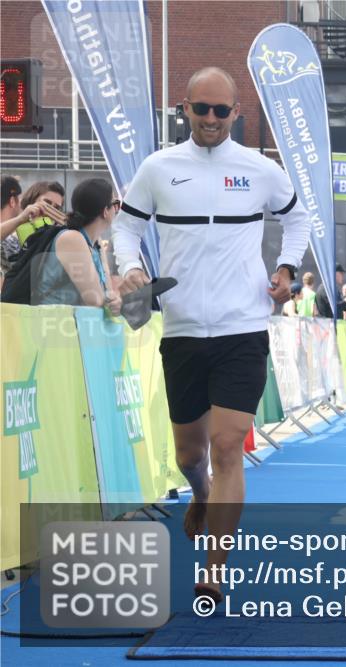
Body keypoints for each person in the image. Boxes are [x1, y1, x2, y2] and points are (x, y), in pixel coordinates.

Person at [113, 67, 311, 604]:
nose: (211, 120)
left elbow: (298, 223)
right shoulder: (159, 167)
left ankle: (213, 569)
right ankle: (198, 492)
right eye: (201, 109)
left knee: (228, 448)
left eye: (221, 111)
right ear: (185, 107)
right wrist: (130, 265)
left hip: (242, 327)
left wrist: (288, 270)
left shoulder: (258, 169)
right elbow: (125, 226)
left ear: (237, 111)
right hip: (180, 329)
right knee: (188, 454)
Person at [29, 178, 121, 313]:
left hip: (70, 326)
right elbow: (94, 299)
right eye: (115, 204)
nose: (117, 209)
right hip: (51, 325)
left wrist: (114, 300)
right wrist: (115, 300)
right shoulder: (72, 239)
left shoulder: (96, 243)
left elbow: (106, 292)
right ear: (105, 211)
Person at [1, 179, 67, 277]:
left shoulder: (58, 241)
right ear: (32, 202)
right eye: (47, 203)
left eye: (56, 208)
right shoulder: (10, 241)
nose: (50, 210)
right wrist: (20, 219)